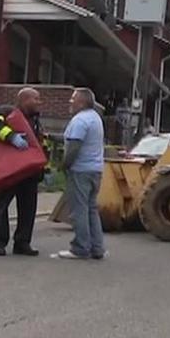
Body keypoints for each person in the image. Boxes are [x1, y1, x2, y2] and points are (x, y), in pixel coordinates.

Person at [0, 87, 49, 257]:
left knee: (28, 208)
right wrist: (11, 136)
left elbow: (40, 144)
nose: (39, 102)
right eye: (36, 99)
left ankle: (22, 242)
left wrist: (43, 167)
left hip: (30, 172)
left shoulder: (35, 120)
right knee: (2, 205)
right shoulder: (7, 112)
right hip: (12, 169)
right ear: (24, 100)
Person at [54, 87, 106, 261]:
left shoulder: (80, 120)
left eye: (73, 99)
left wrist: (64, 165)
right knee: (91, 209)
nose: (70, 102)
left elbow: (74, 146)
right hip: (95, 170)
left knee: (79, 210)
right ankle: (97, 248)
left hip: (80, 170)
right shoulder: (95, 118)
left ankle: (80, 248)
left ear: (82, 102)